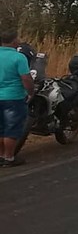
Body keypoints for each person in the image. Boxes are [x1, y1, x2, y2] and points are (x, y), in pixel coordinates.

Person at [1, 29, 34, 167]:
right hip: (13, 97)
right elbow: (26, 78)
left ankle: (1, 155)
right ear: (14, 41)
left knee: (1, 128)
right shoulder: (19, 57)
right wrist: (31, 92)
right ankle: (9, 157)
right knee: (12, 128)